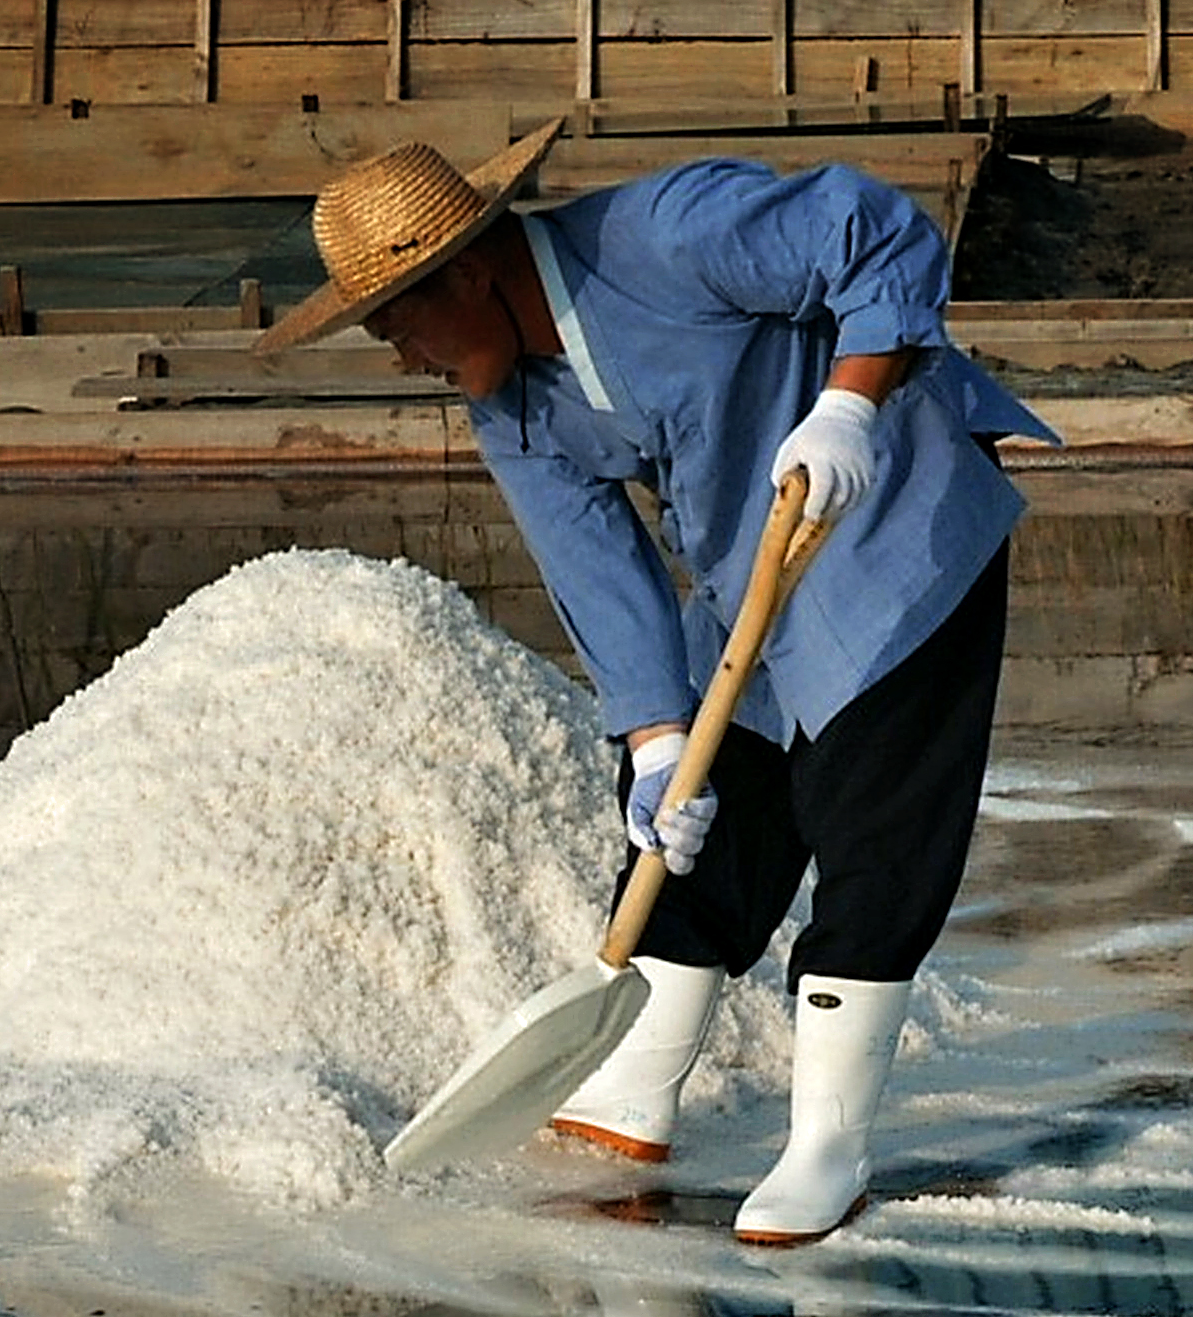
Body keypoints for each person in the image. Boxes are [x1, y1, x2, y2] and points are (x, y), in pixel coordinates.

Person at [259, 122, 1053, 1241]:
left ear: (470, 276)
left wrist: (849, 404)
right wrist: (653, 741)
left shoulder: (668, 236)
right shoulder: (512, 405)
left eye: (403, 328)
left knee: (870, 821)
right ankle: (636, 1087)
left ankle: (829, 1144)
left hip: (890, 517)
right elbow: (599, 572)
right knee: (699, 821)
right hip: (749, 572)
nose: (405, 362)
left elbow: (880, 232)